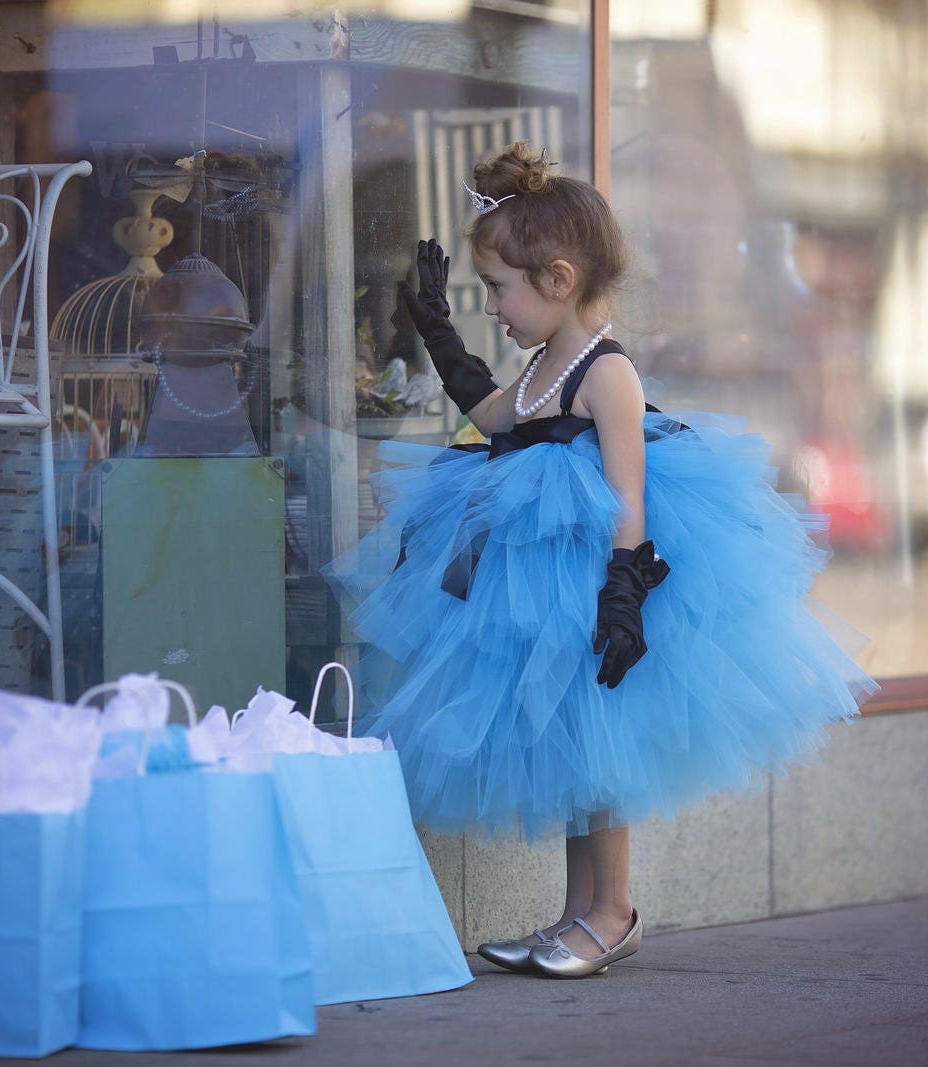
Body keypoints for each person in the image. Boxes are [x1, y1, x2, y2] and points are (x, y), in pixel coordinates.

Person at [326, 142, 877, 978]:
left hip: (594, 582)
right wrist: (436, 329)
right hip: (548, 579)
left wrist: (623, 600)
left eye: (498, 292)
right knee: (575, 753)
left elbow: (629, 496)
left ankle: (613, 911)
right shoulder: (544, 364)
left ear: (556, 277)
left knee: (600, 750)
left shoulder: (605, 373)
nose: (495, 309)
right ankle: (574, 914)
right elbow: (494, 414)